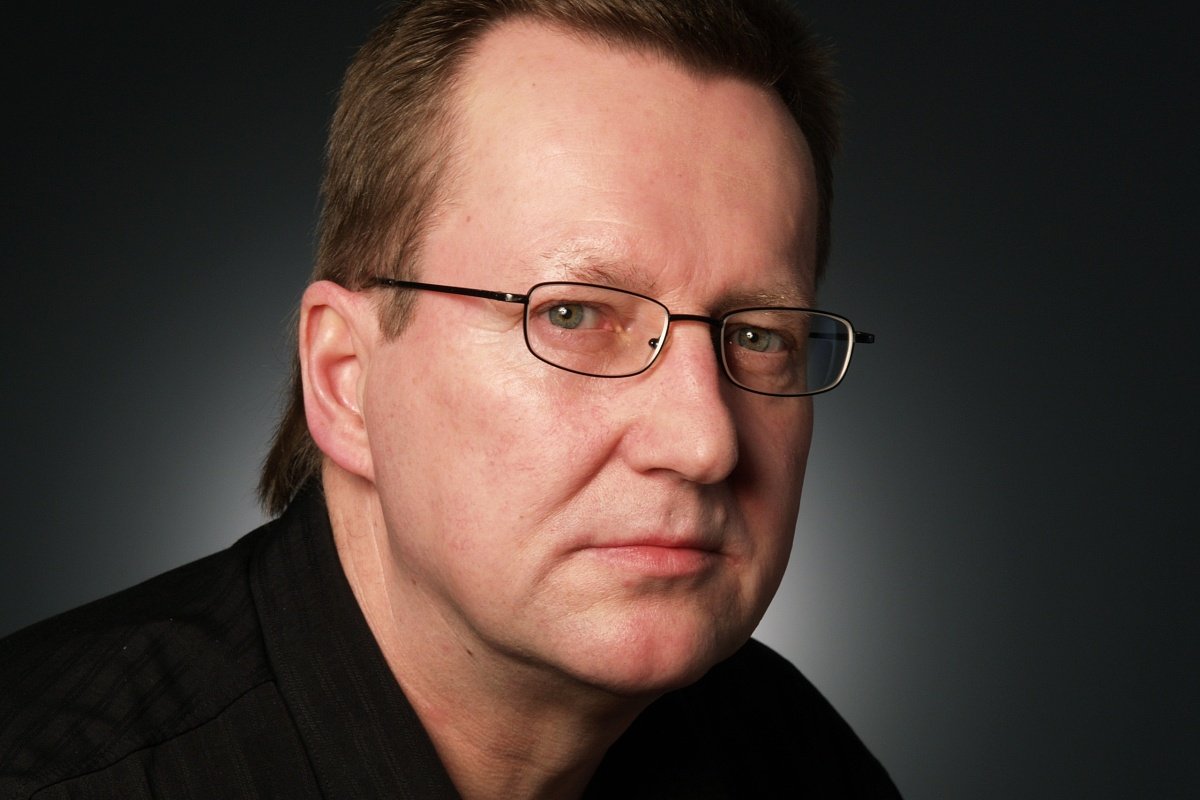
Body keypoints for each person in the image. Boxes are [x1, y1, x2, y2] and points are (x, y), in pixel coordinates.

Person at [0, 0, 898, 797]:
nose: (705, 443)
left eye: (759, 336)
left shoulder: (798, 760)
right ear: (346, 380)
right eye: (575, 315)